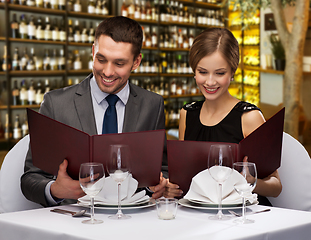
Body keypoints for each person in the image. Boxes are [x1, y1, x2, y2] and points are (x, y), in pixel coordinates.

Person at [21, 16, 167, 207]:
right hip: (75, 224)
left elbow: (163, 169)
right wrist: (55, 190)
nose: (107, 72)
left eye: (119, 63)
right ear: (93, 51)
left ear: (136, 62)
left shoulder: (153, 105)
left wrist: (161, 185)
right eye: (101, 59)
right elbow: (30, 178)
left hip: (133, 221)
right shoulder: (56, 104)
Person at [164, 28, 282, 206]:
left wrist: (250, 181)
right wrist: (172, 188)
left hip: (242, 215)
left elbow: (276, 187)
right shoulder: (187, 113)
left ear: (232, 72)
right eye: (203, 72)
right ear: (194, 71)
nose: (210, 82)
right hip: (199, 214)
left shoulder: (249, 117)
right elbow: (184, 179)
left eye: (219, 73)